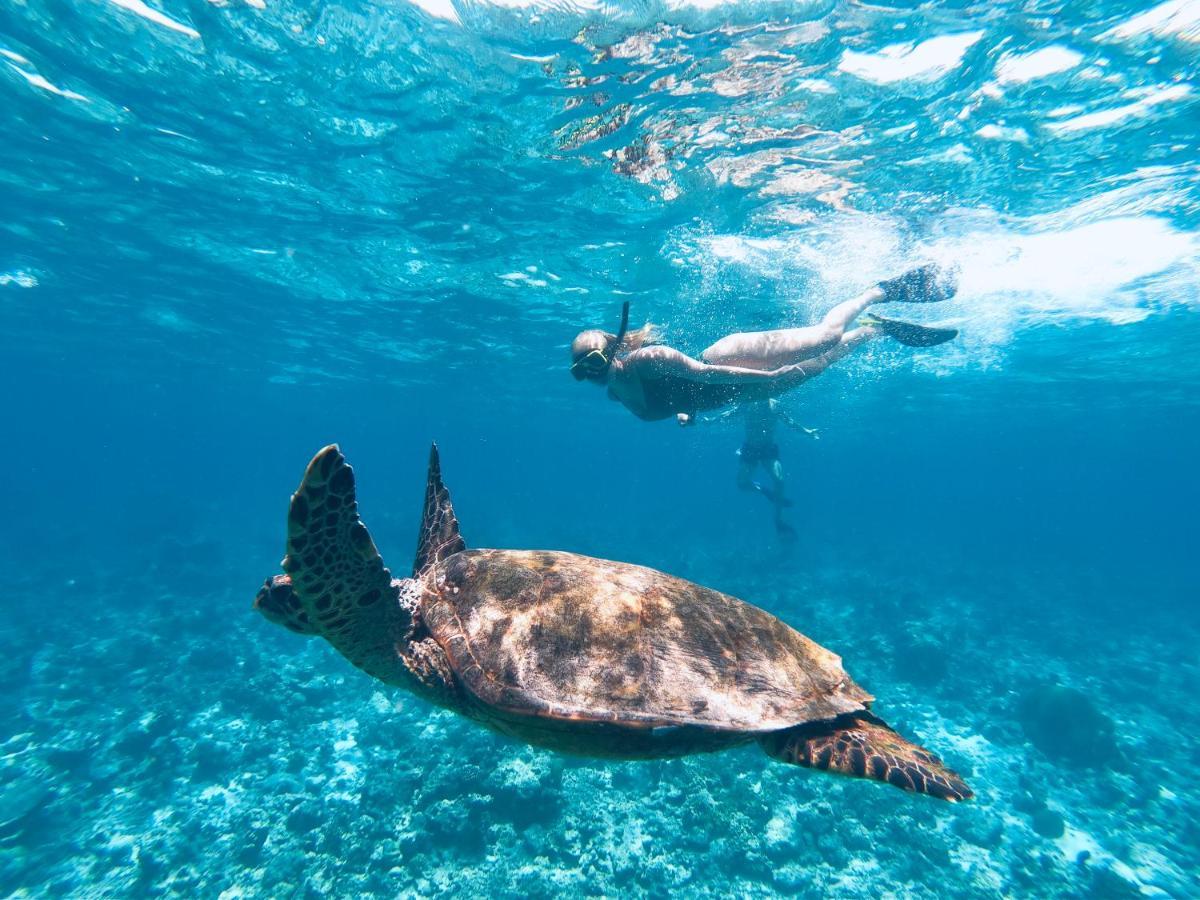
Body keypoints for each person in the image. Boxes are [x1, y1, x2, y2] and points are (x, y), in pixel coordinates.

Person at [569, 264, 958, 423]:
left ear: (615, 347)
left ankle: (878, 292)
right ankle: (876, 330)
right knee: (820, 365)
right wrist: (686, 413)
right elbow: (676, 399)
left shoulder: (648, 358)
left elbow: (705, 374)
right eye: (581, 369)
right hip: (733, 393)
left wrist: (770, 374)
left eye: (594, 360)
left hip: (727, 363)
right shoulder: (616, 395)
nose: (591, 372)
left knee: (825, 338)